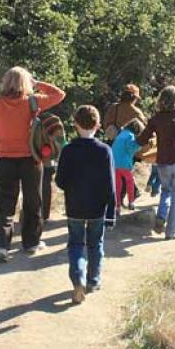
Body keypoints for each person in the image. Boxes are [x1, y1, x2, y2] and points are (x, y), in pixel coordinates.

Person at [0, 67, 65, 262]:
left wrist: (0, 152)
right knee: (33, 201)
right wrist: (37, 83)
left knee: (5, 205)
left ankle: (2, 247)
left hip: (5, 160)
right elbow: (59, 94)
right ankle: (31, 243)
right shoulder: (32, 102)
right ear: (26, 83)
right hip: (30, 159)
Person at [55, 105, 116, 304]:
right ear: (98, 125)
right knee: (95, 244)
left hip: (74, 206)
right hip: (97, 208)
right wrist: (111, 212)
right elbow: (110, 184)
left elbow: (60, 181)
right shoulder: (105, 151)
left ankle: (77, 278)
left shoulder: (68, 150)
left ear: (75, 124)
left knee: (75, 244)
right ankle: (93, 280)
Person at [137, 86, 175, 240]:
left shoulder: (155, 119)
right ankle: (171, 232)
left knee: (165, 191)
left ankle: (161, 216)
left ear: (161, 101)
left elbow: (142, 139)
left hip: (162, 162)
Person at [111, 119, 145, 211]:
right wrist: (139, 145)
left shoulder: (121, 134)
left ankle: (117, 206)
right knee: (129, 182)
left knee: (118, 185)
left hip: (114, 164)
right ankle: (131, 202)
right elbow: (131, 149)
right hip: (124, 164)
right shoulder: (130, 135)